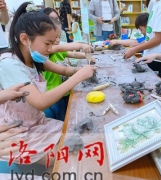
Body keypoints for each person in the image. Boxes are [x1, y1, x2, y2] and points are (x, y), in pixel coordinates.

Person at [0, 2, 96, 168]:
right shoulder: (10, 64)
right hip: (20, 133)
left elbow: (63, 70)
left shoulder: (34, 59)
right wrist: (79, 76)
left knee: (84, 136)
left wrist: (84, 70)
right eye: (47, 44)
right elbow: (40, 102)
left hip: (38, 123)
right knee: (76, 156)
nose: (51, 49)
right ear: (24, 39)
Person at [44, 17, 95, 121]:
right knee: (62, 119)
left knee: (69, 113)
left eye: (59, 37)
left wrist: (87, 56)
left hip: (65, 91)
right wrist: (80, 45)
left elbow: (73, 53)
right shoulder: (47, 53)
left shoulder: (58, 50)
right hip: (55, 96)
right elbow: (60, 49)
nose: (58, 40)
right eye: (54, 38)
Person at [124, 0, 161, 80]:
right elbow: (152, 36)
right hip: (152, 57)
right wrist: (140, 45)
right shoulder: (157, 4)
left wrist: (134, 49)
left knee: (155, 88)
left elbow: (158, 39)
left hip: (159, 59)